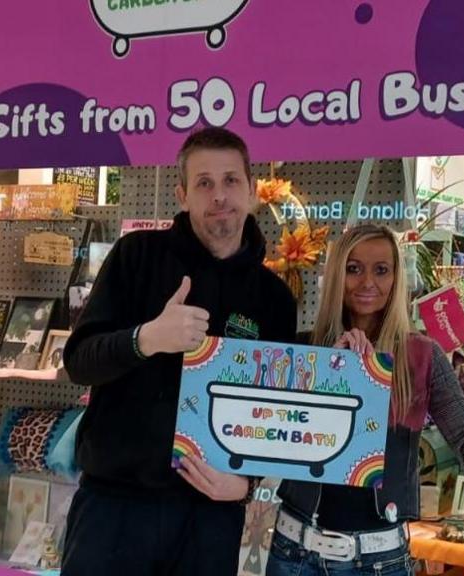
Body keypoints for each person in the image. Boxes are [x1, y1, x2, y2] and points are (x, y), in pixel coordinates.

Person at [61, 127, 297, 576]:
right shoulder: (137, 256)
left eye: (230, 181)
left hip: (209, 516)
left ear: (252, 190)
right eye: (204, 183)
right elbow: (78, 361)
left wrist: (245, 485)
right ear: (183, 194)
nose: (219, 196)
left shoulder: (275, 298)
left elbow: (273, 415)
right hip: (114, 508)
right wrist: (145, 339)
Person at [267, 225, 464, 576]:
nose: (367, 282)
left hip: (380, 560)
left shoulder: (422, 357)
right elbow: (270, 444)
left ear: (396, 278)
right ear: (335, 275)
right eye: (353, 268)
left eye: (381, 270)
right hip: (295, 553)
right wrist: (328, 376)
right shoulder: (303, 350)